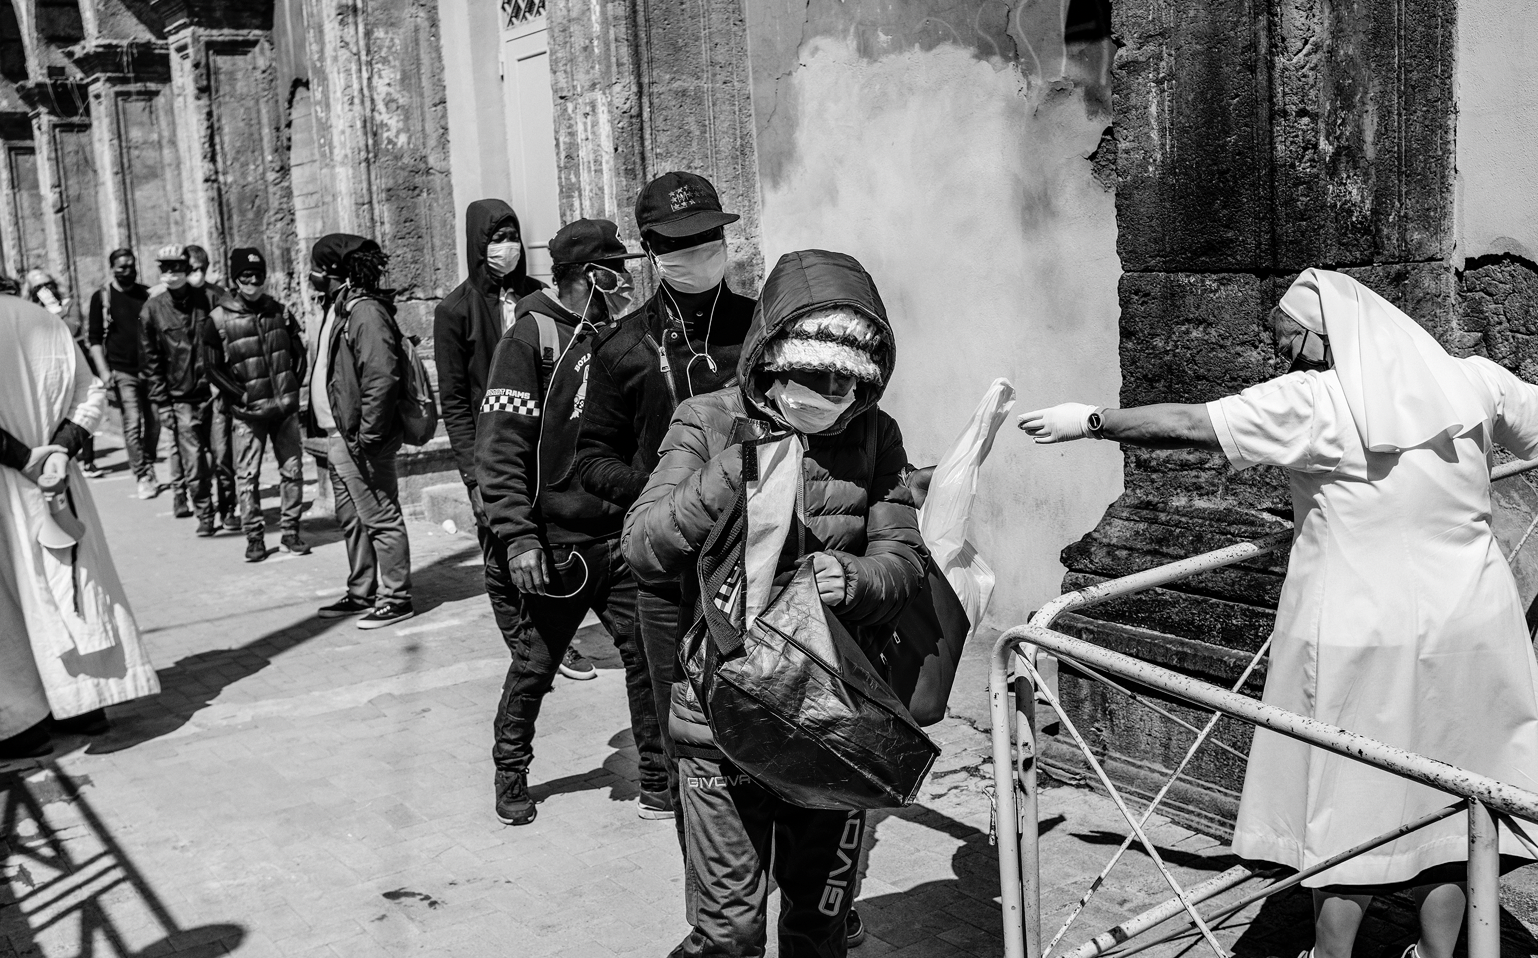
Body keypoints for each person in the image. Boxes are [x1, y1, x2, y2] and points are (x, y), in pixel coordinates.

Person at [1018, 268, 1538, 958]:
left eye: (1286, 341)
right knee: (1457, 795)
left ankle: (1331, 953)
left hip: (1364, 628)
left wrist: (1090, 420)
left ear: (1323, 335)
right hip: (1472, 622)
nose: (1281, 357)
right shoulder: (1472, 380)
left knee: (1353, 802)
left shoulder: (1315, 401)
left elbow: (1187, 424)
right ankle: (1451, 952)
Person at [623, 249, 924, 957]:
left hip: (829, 720)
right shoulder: (708, 422)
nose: (829, 394)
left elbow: (905, 559)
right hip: (717, 721)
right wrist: (729, 477)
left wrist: (853, 579)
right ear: (771, 358)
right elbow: (642, 546)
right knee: (729, 931)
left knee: (819, 928)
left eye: (847, 382)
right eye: (813, 376)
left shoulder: (874, 435)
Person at [575, 171, 757, 831]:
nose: (703, 250)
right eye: (683, 242)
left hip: (764, 566)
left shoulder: (765, 327)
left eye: (711, 237)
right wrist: (669, 496)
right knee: (688, 737)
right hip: (666, 576)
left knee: (784, 719)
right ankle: (715, 907)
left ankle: (807, 898)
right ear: (652, 251)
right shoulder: (622, 347)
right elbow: (591, 460)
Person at [473, 217, 670, 826]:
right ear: (588, 276)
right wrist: (518, 536)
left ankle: (660, 779)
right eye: (613, 274)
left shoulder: (614, 334)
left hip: (617, 536)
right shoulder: (530, 338)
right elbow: (500, 446)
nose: (623, 287)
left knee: (646, 656)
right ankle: (511, 772)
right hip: (556, 548)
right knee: (535, 663)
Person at [434, 199, 595, 680]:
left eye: (511, 236)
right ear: (477, 245)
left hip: (543, 447)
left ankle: (554, 636)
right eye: (494, 238)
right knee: (501, 554)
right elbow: (456, 401)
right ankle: (527, 647)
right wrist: (473, 474)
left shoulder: (539, 297)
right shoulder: (455, 311)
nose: (505, 247)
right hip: (493, 453)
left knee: (544, 545)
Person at [0, 290, 160, 760]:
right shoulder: (41, 320)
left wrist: (24, 457)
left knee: (13, 605)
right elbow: (91, 392)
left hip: (12, 482)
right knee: (73, 586)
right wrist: (60, 449)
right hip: (56, 478)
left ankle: (20, 724)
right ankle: (84, 705)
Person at [304, 234, 414, 629]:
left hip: (359, 439)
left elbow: (382, 376)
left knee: (381, 516)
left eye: (315, 267)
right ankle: (362, 590)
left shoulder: (364, 311)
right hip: (338, 436)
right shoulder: (338, 308)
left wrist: (367, 435)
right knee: (352, 519)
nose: (310, 274)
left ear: (332, 272)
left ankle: (397, 596)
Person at [203, 248, 310, 563]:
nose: (252, 282)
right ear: (236, 279)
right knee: (247, 475)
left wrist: (294, 384)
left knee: (292, 470)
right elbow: (212, 368)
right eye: (246, 276)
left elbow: (299, 353)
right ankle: (254, 537)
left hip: (284, 410)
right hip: (249, 414)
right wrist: (241, 394)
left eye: (258, 276)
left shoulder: (279, 310)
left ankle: (291, 531)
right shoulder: (219, 318)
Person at [141, 245, 221, 534]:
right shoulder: (152, 309)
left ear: (187, 269)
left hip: (214, 390)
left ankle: (228, 506)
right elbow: (151, 361)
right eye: (165, 268)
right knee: (194, 461)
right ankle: (205, 514)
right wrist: (161, 403)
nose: (171, 273)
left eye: (176, 267)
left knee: (223, 456)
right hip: (180, 397)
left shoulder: (210, 298)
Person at [87, 249, 160, 499]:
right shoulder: (103, 298)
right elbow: (94, 339)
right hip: (121, 370)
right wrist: (104, 371)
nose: (128, 271)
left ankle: (148, 463)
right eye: (122, 267)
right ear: (112, 269)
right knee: (132, 421)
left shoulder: (146, 295)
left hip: (149, 369)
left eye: (131, 266)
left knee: (154, 422)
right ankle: (142, 474)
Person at [25, 269, 102, 479]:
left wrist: (53, 309)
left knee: (82, 407)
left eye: (47, 284)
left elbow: (73, 328)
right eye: (38, 288)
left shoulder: (69, 304)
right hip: (48, 371)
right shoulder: (26, 312)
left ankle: (88, 459)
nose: (45, 290)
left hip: (75, 366)